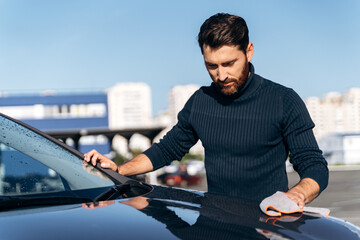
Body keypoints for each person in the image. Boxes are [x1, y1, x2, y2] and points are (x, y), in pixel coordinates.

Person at [84, 13, 328, 208]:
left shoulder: (284, 100)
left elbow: (313, 164)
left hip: (267, 223)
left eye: (229, 63)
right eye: (211, 66)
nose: (221, 75)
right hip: (215, 223)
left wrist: (296, 195)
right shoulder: (200, 101)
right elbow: (167, 149)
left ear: (249, 51)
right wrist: (120, 169)